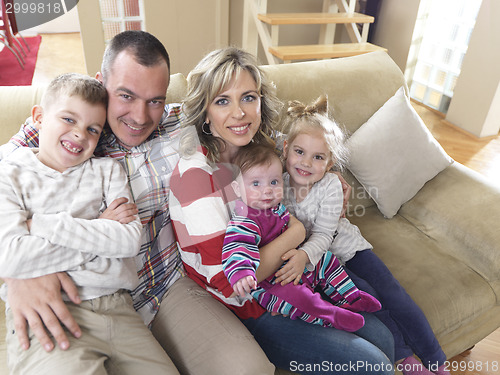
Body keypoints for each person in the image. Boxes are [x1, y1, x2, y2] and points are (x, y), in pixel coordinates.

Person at [0, 31, 274, 375]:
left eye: (155, 100)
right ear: (101, 84)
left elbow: (250, 129)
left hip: (166, 287)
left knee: (248, 369)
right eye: (126, 96)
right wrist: (14, 277)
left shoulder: (181, 124)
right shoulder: (72, 129)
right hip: (82, 292)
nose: (141, 117)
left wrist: (317, 174)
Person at [169, 46, 395, 375]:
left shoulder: (259, 144)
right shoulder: (195, 177)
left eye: (248, 97)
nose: (239, 113)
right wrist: (297, 232)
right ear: (205, 113)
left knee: (383, 337)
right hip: (252, 306)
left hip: (296, 279)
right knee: (373, 365)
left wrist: (329, 175)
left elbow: (308, 152)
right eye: (222, 101)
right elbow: (233, 282)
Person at [0, 73, 178, 374]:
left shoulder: (107, 171)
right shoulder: (10, 173)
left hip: (120, 311)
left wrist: (44, 225)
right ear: (39, 118)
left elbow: (127, 242)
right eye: (68, 120)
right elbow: (11, 257)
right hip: (53, 312)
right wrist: (98, 229)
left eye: (92, 129)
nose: (80, 134)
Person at [280, 95, 450, 375]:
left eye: (318, 157)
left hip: (348, 250)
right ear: (285, 149)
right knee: (367, 299)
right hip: (326, 266)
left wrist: (303, 255)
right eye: (299, 152)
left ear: (330, 161)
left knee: (393, 293)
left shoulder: (330, 186)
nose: (306, 163)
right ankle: (406, 359)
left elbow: (324, 234)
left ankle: (435, 359)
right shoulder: (280, 182)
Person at [222, 142, 381, 332]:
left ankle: (351, 297)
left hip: (295, 265)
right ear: (237, 189)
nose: (267, 190)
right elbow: (237, 248)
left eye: (274, 182)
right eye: (256, 184)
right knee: (299, 298)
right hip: (272, 285)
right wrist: (242, 274)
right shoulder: (244, 220)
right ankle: (330, 316)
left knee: (326, 259)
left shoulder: (276, 208)